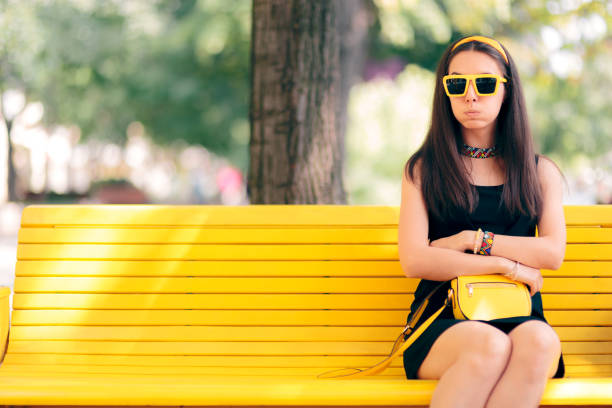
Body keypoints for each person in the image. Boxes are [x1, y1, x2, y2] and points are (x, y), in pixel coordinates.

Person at [398, 35, 567, 408]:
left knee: (541, 342)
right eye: (457, 84)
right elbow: (415, 260)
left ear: (507, 91)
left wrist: (471, 239)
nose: (470, 95)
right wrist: (506, 265)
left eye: (485, 84)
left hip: (518, 314)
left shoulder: (540, 173)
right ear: (446, 92)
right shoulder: (424, 169)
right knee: (489, 345)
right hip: (443, 321)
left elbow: (551, 253)